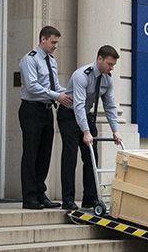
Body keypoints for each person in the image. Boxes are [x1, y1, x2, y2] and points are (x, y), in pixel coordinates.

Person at [57, 45, 123, 211]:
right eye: (109, 64)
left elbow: (110, 105)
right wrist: (85, 132)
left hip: (86, 115)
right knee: (70, 155)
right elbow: (78, 105)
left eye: (113, 65)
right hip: (69, 114)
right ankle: (68, 200)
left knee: (92, 155)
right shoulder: (82, 75)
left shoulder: (107, 79)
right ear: (99, 59)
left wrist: (115, 130)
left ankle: (90, 199)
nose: (111, 68)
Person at [18, 25, 72, 209]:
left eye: (57, 42)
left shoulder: (52, 60)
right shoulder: (30, 60)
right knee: (31, 153)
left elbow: (55, 85)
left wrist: (69, 93)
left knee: (44, 154)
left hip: (47, 110)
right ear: (43, 40)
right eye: (53, 42)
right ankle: (29, 197)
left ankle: (41, 194)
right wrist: (58, 96)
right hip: (31, 110)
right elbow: (32, 86)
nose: (56, 46)